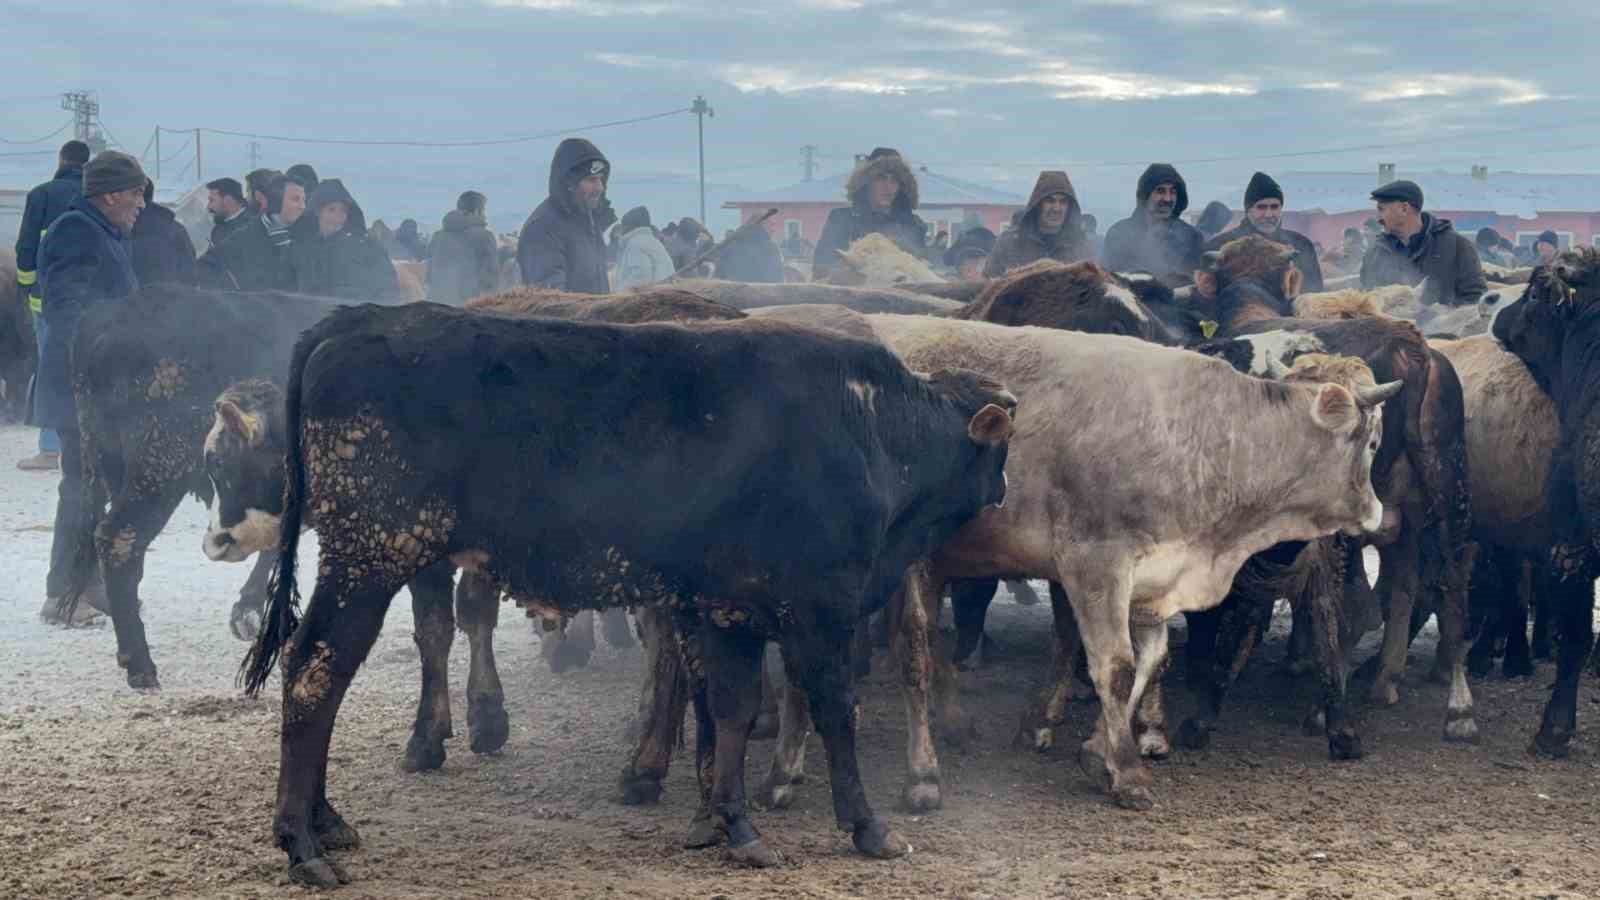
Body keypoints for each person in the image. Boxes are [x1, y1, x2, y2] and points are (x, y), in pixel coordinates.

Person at [35, 151, 147, 624]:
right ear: (111, 193)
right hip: (81, 389)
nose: (142, 203)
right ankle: (63, 595)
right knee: (81, 486)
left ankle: (90, 582)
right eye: (137, 193)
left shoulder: (104, 232)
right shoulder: (76, 231)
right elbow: (68, 312)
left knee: (98, 484)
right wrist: (105, 364)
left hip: (101, 388)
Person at [13, 139, 90, 472]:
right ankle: (88, 447)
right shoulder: (94, 197)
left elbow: (26, 246)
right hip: (89, 301)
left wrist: (28, 285)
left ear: (61, 159)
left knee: (51, 367)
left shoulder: (42, 194)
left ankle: (49, 449)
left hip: (47, 301)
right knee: (88, 368)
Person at [1360, 179, 1485, 306]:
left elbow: (1475, 299)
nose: (1378, 218)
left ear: (1404, 208)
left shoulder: (1458, 247)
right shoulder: (1374, 253)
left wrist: (1440, 317)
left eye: (1382, 209)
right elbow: (1367, 298)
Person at [812, 147, 927, 279]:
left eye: (894, 180)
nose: (888, 186)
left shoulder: (913, 225)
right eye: (881, 178)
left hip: (902, 297)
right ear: (866, 182)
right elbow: (820, 268)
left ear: (902, 186)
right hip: (850, 297)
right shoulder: (842, 220)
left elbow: (923, 271)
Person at [517, 138, 615, 293]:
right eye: (591, 180)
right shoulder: (543, 227)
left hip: (593, 317)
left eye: (601, 180)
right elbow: (550, 303)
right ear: (569, 183)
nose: (600, 188)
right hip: (571, 317)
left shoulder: (588, 223)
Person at [1205, 172, 1324, 292]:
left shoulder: (1301, 244)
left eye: (1274, 207)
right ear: (1248, 210)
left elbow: (1314, 292)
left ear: (1281, 209)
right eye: (1261, 207)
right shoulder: (1220, 245)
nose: (1268, 214)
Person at [286, 179, 398, 301]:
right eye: (331, 209)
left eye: (343, 211)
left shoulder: (366, 248)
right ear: (318, 211)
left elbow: (387, 289)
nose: (337, 217)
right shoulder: (301, 250)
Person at [1101, 163, 1205, 287]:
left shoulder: (1191, 237)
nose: (1168, 199)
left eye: (1173, 192)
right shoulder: (1118, 234)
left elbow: (1198, 288)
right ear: (1145, 195)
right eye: (1160, 191)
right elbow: (1109, 282)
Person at [198, 173, 306, 291]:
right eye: (296, 199)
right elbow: (205, 266)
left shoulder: (307, 237)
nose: (302, 206)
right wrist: (233, 299)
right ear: (277, 200)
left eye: (303, 200)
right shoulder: (246, 235)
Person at [983, 171, 1091, 277]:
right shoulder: (1009, 243)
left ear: (1069, 207)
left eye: (1063, 202)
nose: (1057, 208)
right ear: (1038, 204)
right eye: (1050, 201)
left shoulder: (1080, 245)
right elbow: (989, 284)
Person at [425, 190, 499, 304]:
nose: (485, 215)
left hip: (435, 304)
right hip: (467, 308)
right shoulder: (485, 237)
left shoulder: (437, 236)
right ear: (476, 211)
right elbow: (490, 279)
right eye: (484, 210)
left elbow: (428, 275)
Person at [130, 180, 197, 286]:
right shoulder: (176, 229)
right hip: (173, 298)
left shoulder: (120, 229)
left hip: (129, 300)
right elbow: (190, 271)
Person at [611, 206, 675, 289]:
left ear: (629, 226)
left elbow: (640, 278)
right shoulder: (654, 241)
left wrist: (618, 294)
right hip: (665, 296)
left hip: (649, 299)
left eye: (623, 225)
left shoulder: (635, 244)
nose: (622, 230)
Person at [715, 220, 785, 283]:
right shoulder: (771, 248)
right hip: (764, 294)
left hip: (732, 294)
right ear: (762, 225)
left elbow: (718, 277)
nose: (773, 230)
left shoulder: (729, 246)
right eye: (771, 224)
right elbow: (778, 279)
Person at [205, 177, 252, 250]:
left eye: (212, 200)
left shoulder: (255, 223)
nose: (208, 207)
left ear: (227, 200)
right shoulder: (217, 231)